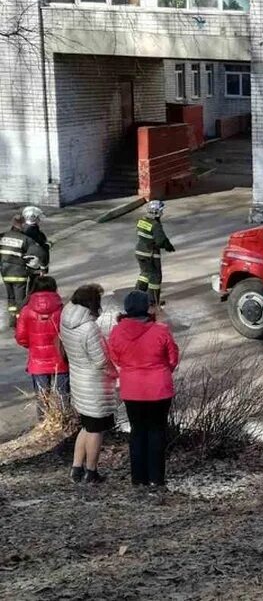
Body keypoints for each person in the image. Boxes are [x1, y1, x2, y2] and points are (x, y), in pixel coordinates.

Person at [108, 291, 180, 490]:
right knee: (157, 432)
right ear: (147, 307)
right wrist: (163, 370)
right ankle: (156, 478)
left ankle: (138, 478)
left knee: (137, 431)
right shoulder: (161, 330)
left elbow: (115, 357)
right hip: (159, 388)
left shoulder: (117, 331)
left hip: (132, 389)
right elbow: (173, 357)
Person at [60, 284, 116, 485]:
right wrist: (115, 372)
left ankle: (76, 468)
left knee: (86, 425)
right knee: (96, 430)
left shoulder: (66, 320)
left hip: (79, 380)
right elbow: (100, 361)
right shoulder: (89, 328)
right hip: (94, 385)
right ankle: (91, 471)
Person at [14, 275, 68, 418]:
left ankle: (46, 425)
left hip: (37, 361)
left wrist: (33, 346)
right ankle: (65, 422)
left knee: (43, 398)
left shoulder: (26, 310)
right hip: (60, 360)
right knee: (63, 395)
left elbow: (20, 337)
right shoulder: (62, 309)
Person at [1, 215, 43, 327]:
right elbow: (37, 253)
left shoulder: (3, 236)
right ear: (23, 224)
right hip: (19, 273)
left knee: (11, 296)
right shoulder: (25, 239)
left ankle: (12, 317)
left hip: (5, 273)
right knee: (20, 299)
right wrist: (41, 267)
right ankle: (20, 322)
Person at [134, 200, 175, 307]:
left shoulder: (141, 220)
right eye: (161, 210)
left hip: (140, 252)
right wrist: (168, 246)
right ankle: (153, 301)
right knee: (155, 277)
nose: (162, 212)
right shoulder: (155, 224)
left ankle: (137, 295)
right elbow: (161, 240)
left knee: (144, 274)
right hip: (150, 254)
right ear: (157, 211)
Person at [21, 206, 50, 272]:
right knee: (36, 281)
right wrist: (47, 245)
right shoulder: (32, 232)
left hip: (31, 263)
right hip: (34, 264)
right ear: (33, 218)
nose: (39, 219)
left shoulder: (27, 229)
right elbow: (40, 250)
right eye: (38, 217)